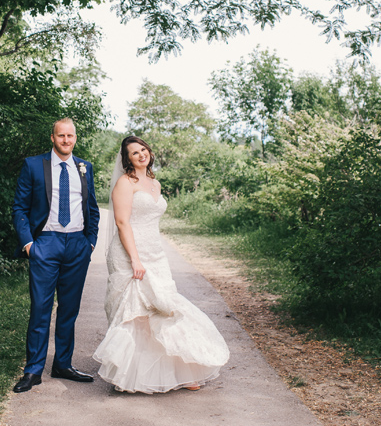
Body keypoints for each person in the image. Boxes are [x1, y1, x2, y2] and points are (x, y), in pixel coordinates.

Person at [93, 136, 229, 393]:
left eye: (143, 149)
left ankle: (179, 370)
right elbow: (122, 223)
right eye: (134, 152)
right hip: (128, 252)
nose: (141, 154)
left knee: (164, 306)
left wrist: (150, 254)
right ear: (128, 159)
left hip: (155, 252)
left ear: (149, 152)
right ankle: (128, 375)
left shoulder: (154, 182)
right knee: (135, 312)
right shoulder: (125, 183)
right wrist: (135, 259)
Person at [12, 118, 100, 393]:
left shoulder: (85, 168)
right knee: (40, 309)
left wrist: (91, 243)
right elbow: (19, 209)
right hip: (45, 243)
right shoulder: (33, 165)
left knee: (69, 310)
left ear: (75, 137)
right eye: (61, 136)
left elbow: (93, 208)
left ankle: (63, 364)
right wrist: (29, 244)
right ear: (52, 137)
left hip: (77, 245)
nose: (66, 140)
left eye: (70, 136)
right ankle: (33, 370)